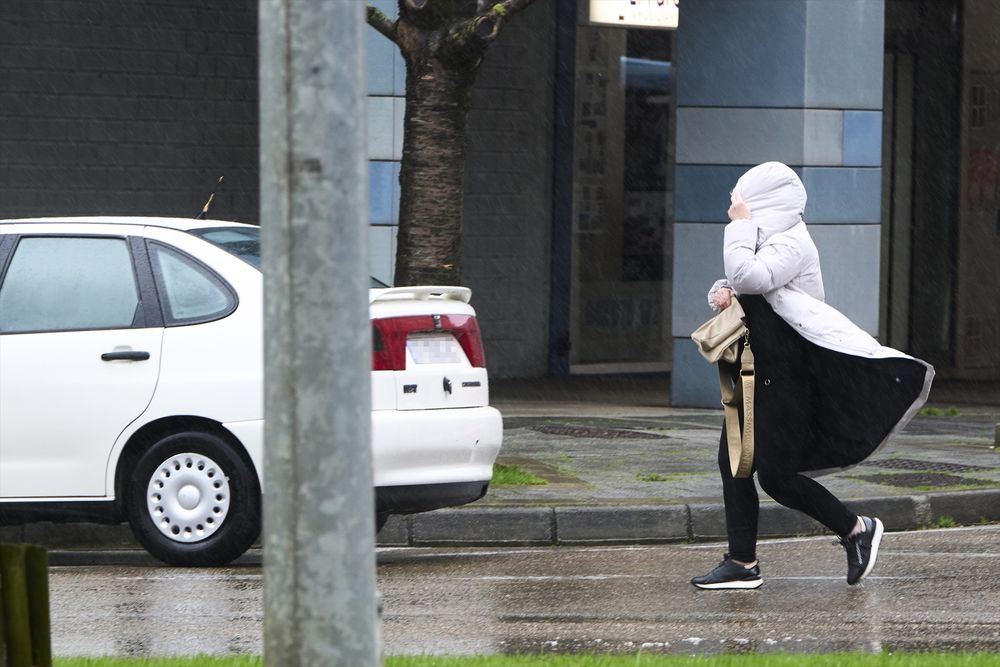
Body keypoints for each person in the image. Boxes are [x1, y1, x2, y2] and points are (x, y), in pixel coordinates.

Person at [692, 162, 934, 590]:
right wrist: (723, 289)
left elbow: (752, 275)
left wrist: (740, 231)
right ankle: (742, 563)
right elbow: (745, 281)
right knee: (734, 463)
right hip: (753, 369)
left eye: (742, 201)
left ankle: (857, 529)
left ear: (762, 201)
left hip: (787, 378)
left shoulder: (792, 242)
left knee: (777, 476)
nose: (735, 209)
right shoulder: (766, 239)